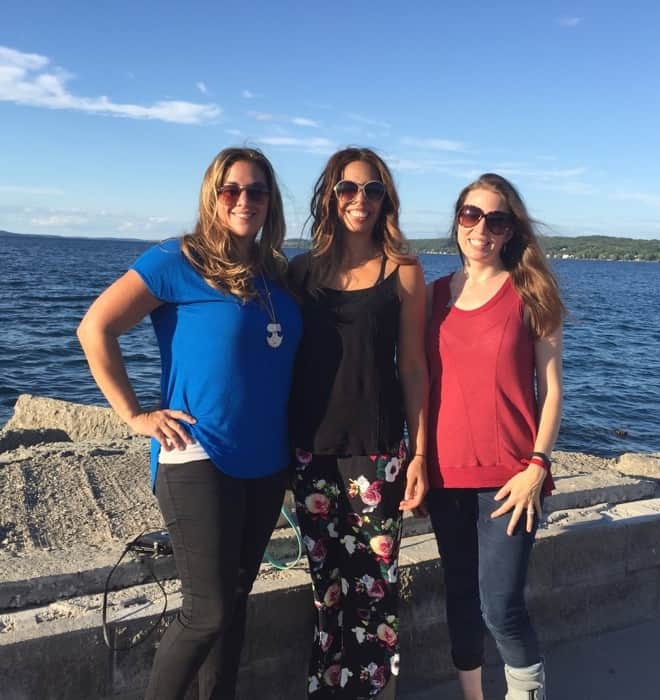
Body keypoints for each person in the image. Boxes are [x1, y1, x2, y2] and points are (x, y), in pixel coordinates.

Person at [77, 147, 301, 699]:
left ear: (271, 201)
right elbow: (96, 328)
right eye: (231, 190)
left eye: (256, 190)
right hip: (197, 452)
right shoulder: (177, 259)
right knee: (207, 611)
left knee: (235, 602)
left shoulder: (276, 272)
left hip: (266, 460)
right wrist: (135, 414)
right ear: (212, 196)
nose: (244, 200)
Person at [288, 147, 429, 699]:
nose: (360, 200)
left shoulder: (404, 270)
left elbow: (413, 367)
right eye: (348, 188)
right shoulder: (301, 272)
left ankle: (375, 693)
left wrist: (420, 454)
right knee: (325, 591)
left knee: (375, 590)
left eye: (373, 190)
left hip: (378, 449)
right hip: (310, 450)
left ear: (385, 199)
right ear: (330, 196)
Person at [425, 173, 565, 700]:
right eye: (471, 215)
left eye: (496, 220)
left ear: (511, 230)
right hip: (445, 474)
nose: (481, 228)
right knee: (461, 597)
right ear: (457, 221)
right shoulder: (432, 296)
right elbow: (417, 382)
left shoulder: (531, 292)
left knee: (501, 606)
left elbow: (552, 391)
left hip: (511, 479)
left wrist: (537, 467)